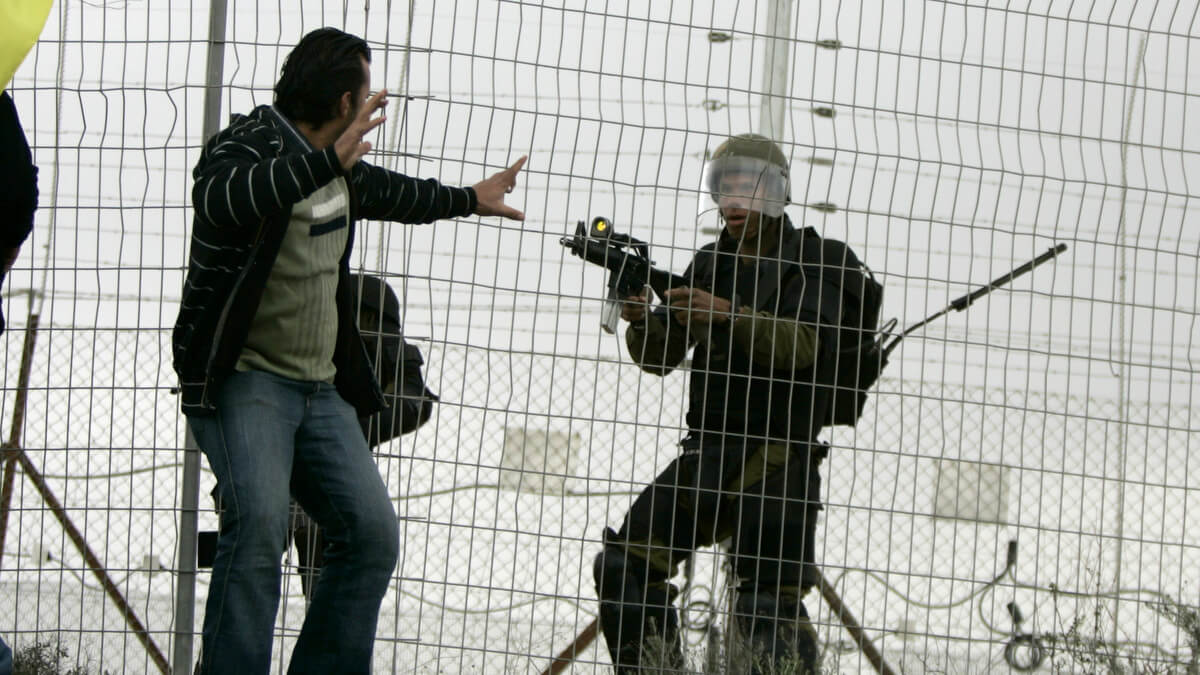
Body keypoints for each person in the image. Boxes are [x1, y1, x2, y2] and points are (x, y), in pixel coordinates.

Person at [171, 27, 526, 675]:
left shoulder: (343, 172)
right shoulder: (244, 146)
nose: (368, 105)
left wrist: (470, 199)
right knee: (256, 529)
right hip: (242, 381)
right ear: (343, 101)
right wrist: (323, 163)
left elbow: (395, 193)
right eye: (364, 91)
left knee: (368, 535)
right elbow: (220, 199)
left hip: (317, 388)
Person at [592, 133, 875, 673]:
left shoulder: (820, 260)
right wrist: (642, 318)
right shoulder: (711, 262)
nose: (734, 201)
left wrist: (726, 314)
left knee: (766, 608)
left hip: (777, 458)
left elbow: (806, 344)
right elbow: (660, 357)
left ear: (776, 191)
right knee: (622, 567)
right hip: (708, 452)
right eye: (726, 188)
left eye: (747, 186)